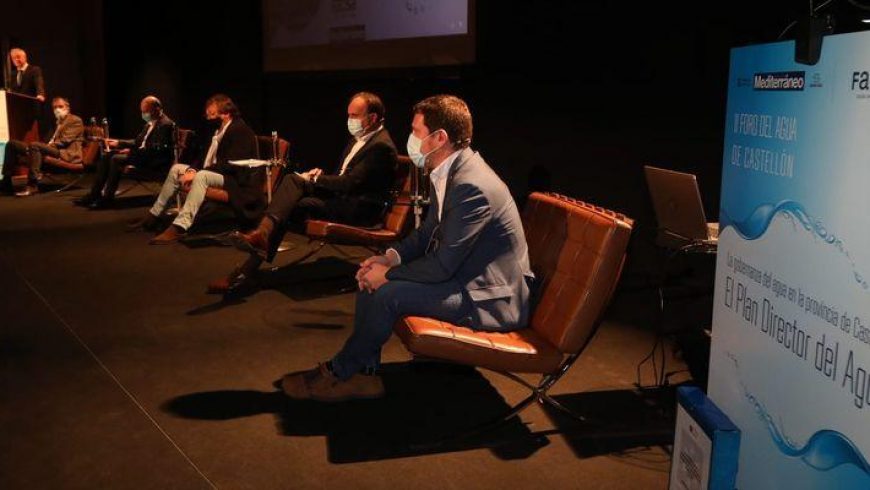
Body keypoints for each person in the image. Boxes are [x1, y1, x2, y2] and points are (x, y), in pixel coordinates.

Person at [279, 95, 534, 401]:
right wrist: (389, 258)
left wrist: (388, 275)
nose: (410, 139)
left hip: (489, 298)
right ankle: (364, 376)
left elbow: (442, 266)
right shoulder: (450, 171)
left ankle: (339, 372)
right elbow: (427, 232)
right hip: (465, 278)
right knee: (370, 280)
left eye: (416, 131)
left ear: (440, 138)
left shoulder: (471, 185)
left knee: (387, 293)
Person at [211, 91, 398, 294]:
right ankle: (259, 240)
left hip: (358, 210)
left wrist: (316, 180)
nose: (350, 120)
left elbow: (349, 184)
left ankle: (253, 256)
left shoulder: (380, 146)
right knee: (293, 183)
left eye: (354, 116)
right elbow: (345, 177)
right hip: (342, 199)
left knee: (290, 203)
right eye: (348, 115)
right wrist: (320, 176)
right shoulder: (359, 139)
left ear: (372, 118)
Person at [128, 94, 262, 245]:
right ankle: (154, 216)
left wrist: (197, 173)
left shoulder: (240, 130)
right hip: (214, 172)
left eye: (212, 114)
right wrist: (192, 170)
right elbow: (203, 157)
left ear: (226, 113)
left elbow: (231, 164)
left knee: (202, 176)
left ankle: (180, 226)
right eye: (208, 115)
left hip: (234, 180)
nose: (209, 118)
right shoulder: (218, 130)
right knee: (177, 169)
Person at [75, 96, 176, 209]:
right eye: (142, 111)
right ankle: (94, 194)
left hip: (153, 161)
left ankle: (107, 198)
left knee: (116, 159)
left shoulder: (165, 124)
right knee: (108, 155)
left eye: (146, 111)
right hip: (143, 156)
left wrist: (132, 152)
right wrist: (118, 142)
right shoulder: (150, 123)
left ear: (157, 109)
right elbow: (138, 142)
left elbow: (157, 150)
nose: (143, 114)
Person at [11, 97, 84, 196]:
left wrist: (45, 147)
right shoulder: (58, 122)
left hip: (66, 153)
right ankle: (6, 181)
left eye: (60, 106)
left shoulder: (75, 120)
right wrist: (42, 148)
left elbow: (64, 141)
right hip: (55, 150)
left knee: (35, 145)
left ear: (67, 107)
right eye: (55, 107)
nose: (57, 109)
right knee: (12, 144)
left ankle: (32, 185)